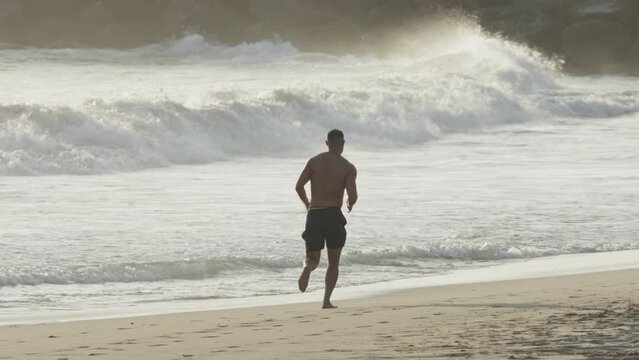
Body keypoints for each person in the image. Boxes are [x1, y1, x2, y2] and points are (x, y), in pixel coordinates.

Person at [295, 129, 358, 309]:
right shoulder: (347, 167)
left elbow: (298, 186)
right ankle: (326, 301)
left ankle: (308, 268)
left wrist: (308, 204)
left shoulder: (314, 162)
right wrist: (350, 204)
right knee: (333, 262)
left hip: (314, 213)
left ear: (327, 143)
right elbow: (352, 195)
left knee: (313, 258)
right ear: (343, 144)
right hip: (333, 214)